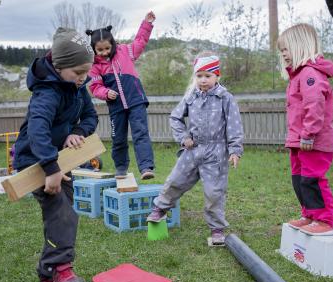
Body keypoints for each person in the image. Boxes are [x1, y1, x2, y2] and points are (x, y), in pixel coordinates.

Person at [13, 27, 98, 282]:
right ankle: (62, 270)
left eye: (87, 72)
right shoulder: (46, 93)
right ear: (60, 66)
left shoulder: (77, 85)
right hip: (36, 160)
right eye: (78, 72)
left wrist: (77, 132)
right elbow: (38, 131)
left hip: (59, 159)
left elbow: (91, 117)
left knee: (65, 212)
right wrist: (50, 169)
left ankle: (47, 276)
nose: (83, 79)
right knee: (61, 211)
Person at [146, 53, 244, 245]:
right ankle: (159, 210)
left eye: (207, 75)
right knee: (175, 180)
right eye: (199, 76)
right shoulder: (190, 97)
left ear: (217, 76)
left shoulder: (225, 98)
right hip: (192, 151)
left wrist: (235, 150)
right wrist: (183, 137)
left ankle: (216, 229)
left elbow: (234, 126)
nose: (203, 80)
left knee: (214, 192)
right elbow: (175, 118)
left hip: (215, 153)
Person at [277, 23, 333, 236]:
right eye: (281, 50)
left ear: (299, 46)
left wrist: (309, 134)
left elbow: (315, 106)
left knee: (312, 179)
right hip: (299, 141)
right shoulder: (298, 76)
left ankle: (325, 220)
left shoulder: (310, 74)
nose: (283, 54)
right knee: (299, 180)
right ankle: (310, 215)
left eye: (286, 49)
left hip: (314, 141)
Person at [86, 11, 156, 180]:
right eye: (99, 50)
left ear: (113, 44)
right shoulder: (94, 66)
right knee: (118, 138)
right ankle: (121, 168)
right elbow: (95, 87)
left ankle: (146, 167)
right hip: (116, 107)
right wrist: (105, 92)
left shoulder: (126, 51)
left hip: (136, 101)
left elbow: (140, 41)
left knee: (141, 133)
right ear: (93, 49)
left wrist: (146, 24)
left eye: (107, 48)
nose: (104, 52)